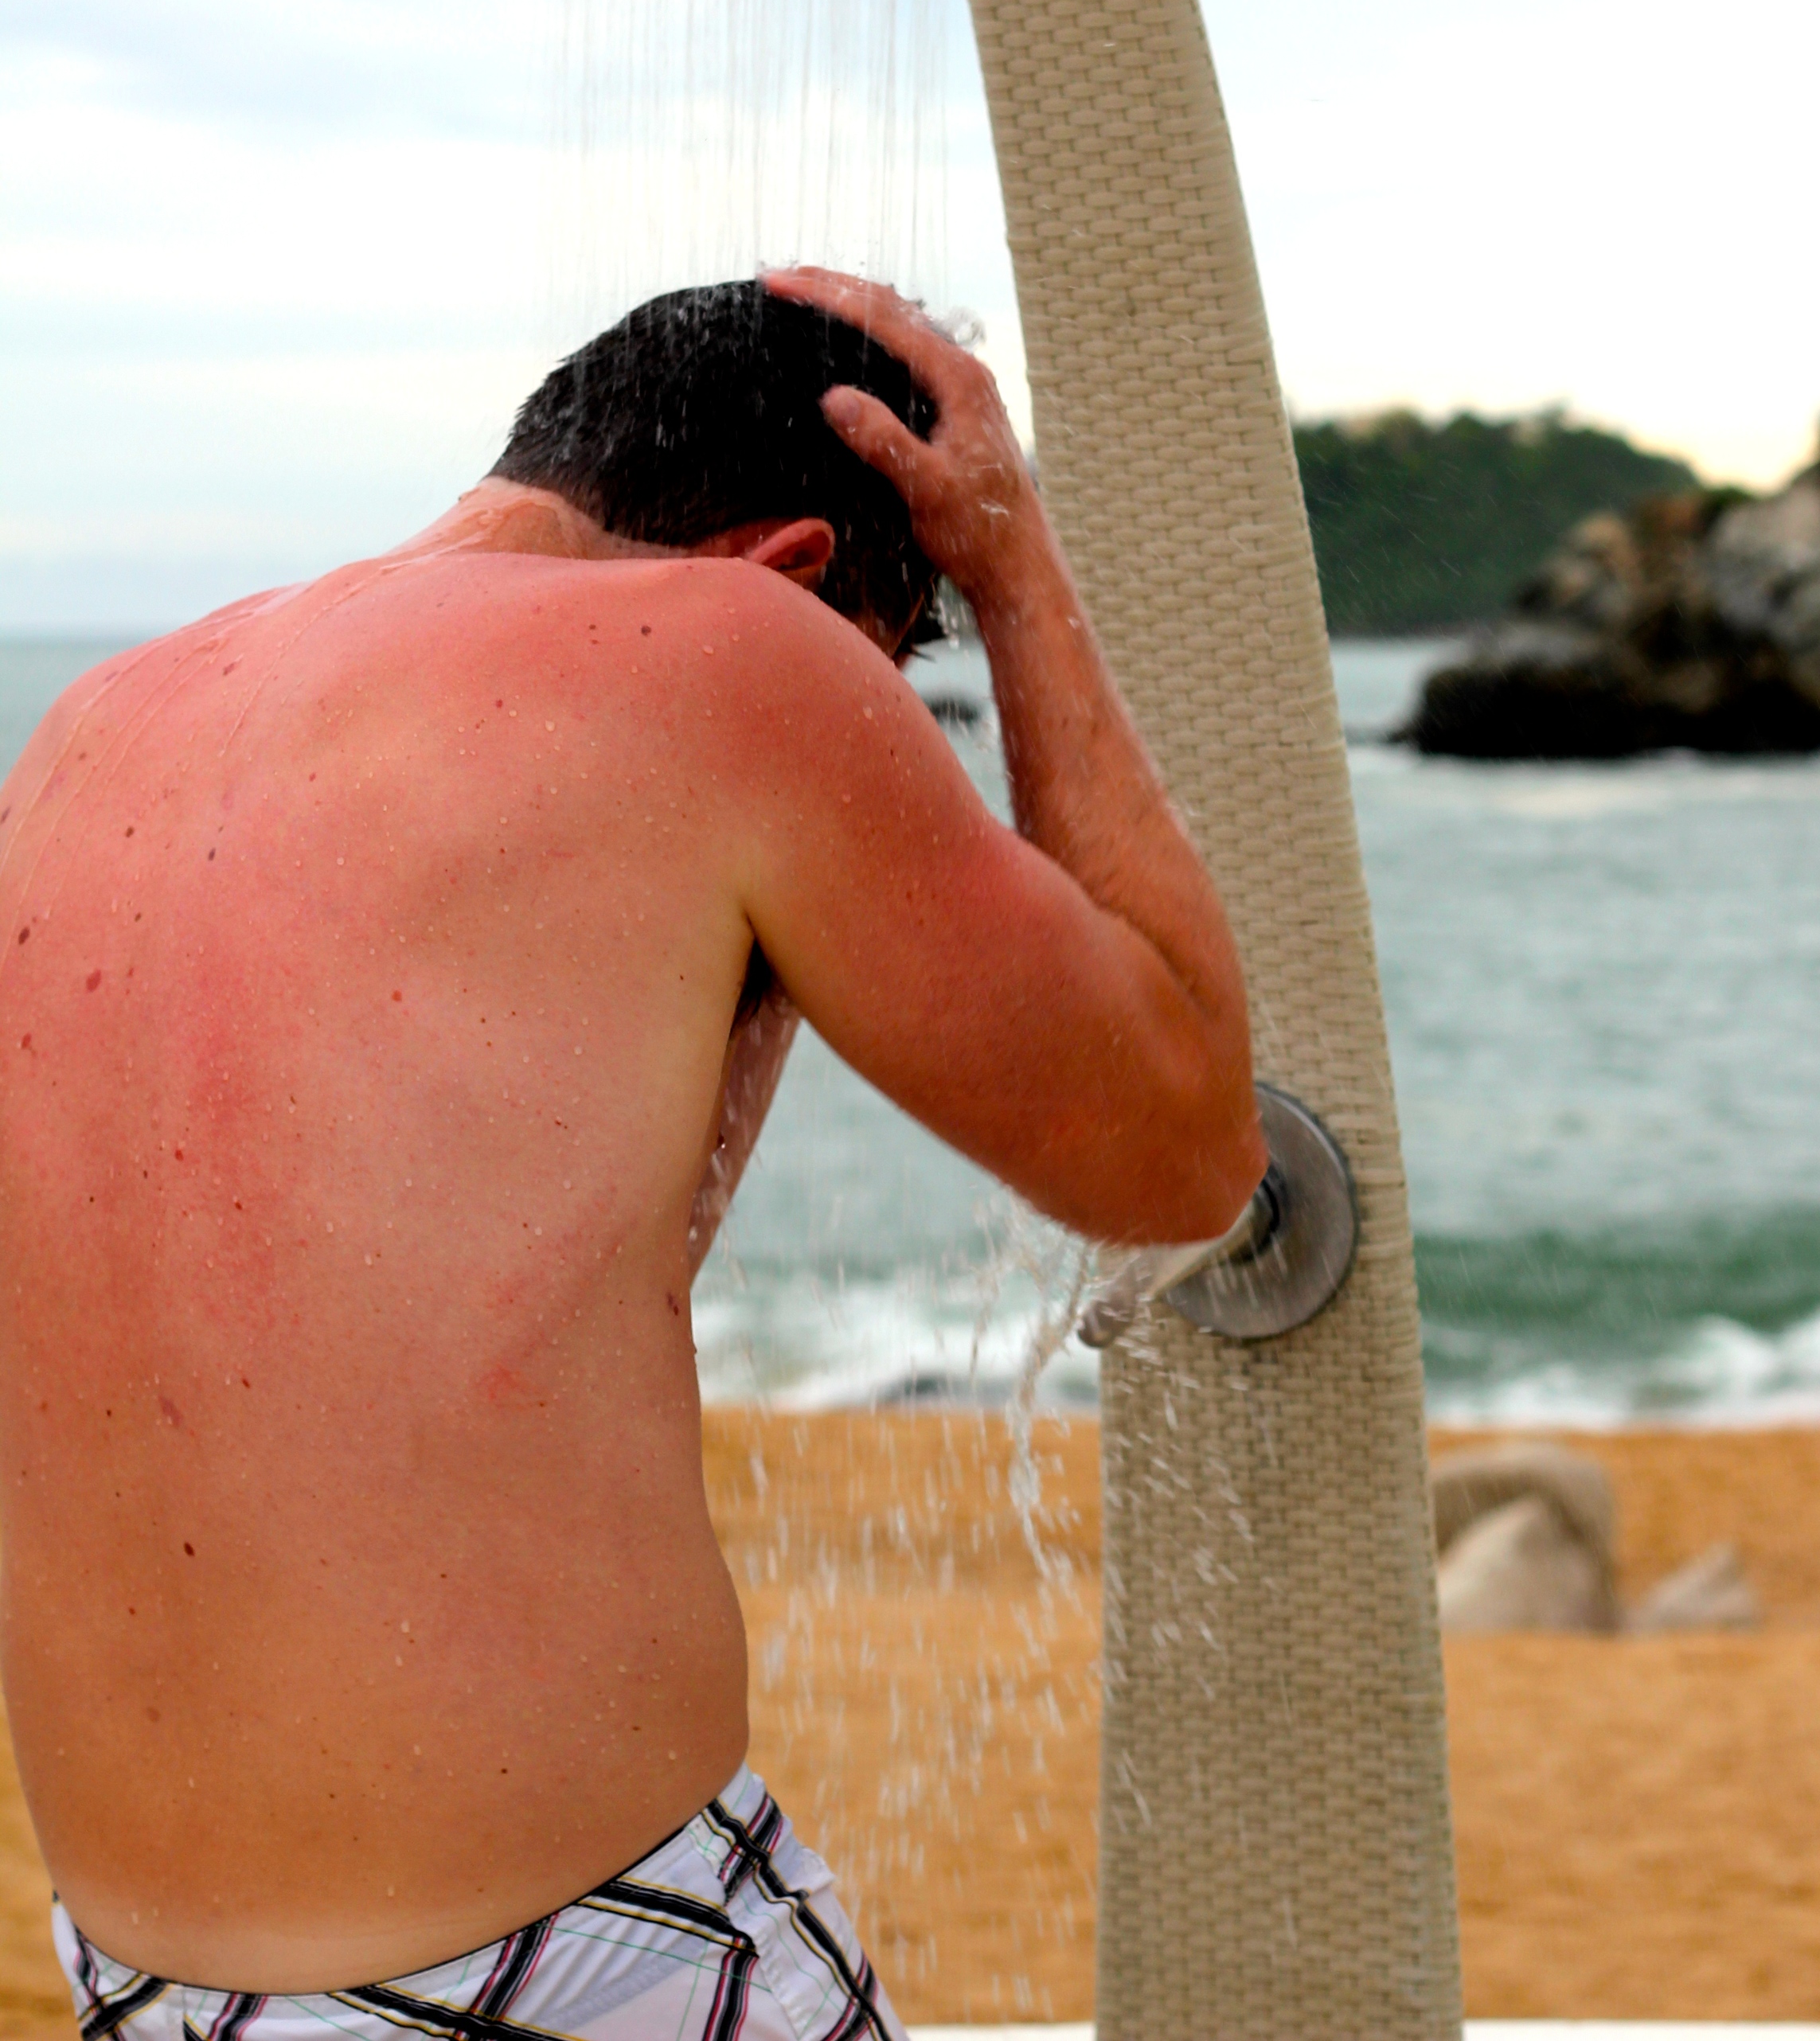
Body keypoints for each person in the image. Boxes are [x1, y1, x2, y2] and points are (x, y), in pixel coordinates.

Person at [0, 268, 1263, 2041]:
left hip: (147, 1975)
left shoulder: (93, 731)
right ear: (793, 572)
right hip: (582, 1960)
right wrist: (1008, 557)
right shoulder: (725, 654)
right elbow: (1179, 1145)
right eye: (892, 674)